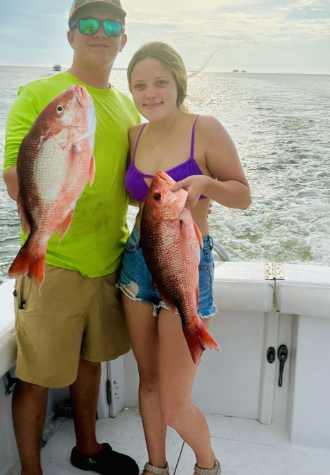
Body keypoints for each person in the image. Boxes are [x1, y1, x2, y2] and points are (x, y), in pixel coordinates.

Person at [3, 0, 140, 475]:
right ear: (70, 34)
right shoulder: (41, 95)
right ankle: (30, 472)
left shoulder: (128, 109)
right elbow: (15, 174)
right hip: (54, 262)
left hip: (109, 260)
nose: (98, 33)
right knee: (37, 374)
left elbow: (133, 186)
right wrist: (41, 225)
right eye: (88, 24)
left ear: (123, 39)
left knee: (91, 360)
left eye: (109, 25)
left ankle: (88, 448)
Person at [118, 42, 251, 475]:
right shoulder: (133, 135)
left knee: (176, 404)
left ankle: (207, 465)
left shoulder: (205, 129)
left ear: (178, 83)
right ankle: (155, 466)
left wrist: (204, 183)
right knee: (149, 379)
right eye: (139, 85)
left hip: (187, 266)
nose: (149, 93)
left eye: (159, 82)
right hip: (138, 264)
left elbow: (243, 196)